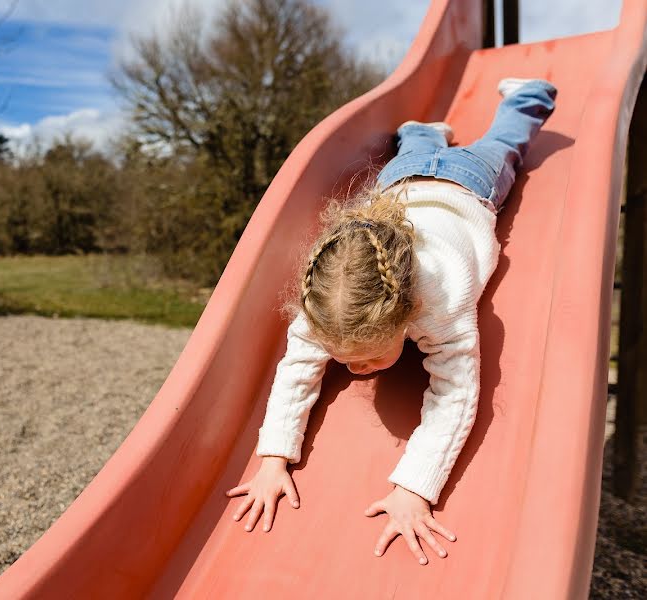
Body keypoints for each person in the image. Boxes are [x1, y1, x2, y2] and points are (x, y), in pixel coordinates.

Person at [225, 78, 557, 565]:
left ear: (407, 315)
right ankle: (422, 133)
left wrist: (414, 488)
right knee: (418, 151)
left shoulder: (443, 297)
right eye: (344, 359)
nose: (358, 373)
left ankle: (528, 94)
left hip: (469, 182)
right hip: (400, 179)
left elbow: (455, 394)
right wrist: (273, 458)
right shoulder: (327, 303)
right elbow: (297, 367)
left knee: (505, 144)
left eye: (369, 357)